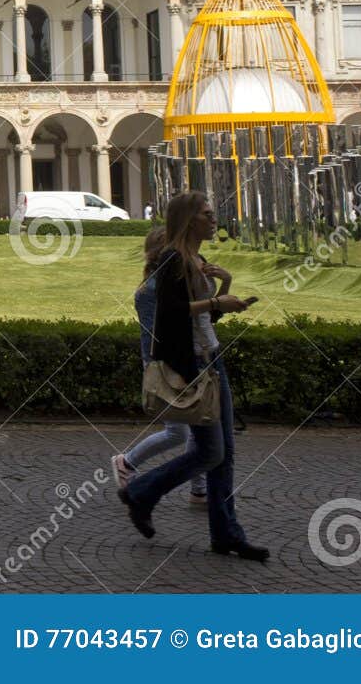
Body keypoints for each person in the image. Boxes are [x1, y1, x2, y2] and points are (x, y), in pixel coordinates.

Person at [119, 191, 268, 561]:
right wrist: (216, 302)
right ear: (188, 220)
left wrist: (226, 290)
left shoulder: (195, 259)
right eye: (206, 214)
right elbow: (170, 315)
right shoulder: (172, 259)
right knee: (212, 451)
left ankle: (226, 533)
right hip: (195, 366)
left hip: (211, 358)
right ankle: (141, 492)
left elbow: (203, 319)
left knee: (225, 453)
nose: (213, 219)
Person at [111, 228, 207, 506]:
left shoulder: (156, 283)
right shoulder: (157, 288)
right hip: (168, 364)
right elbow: (179, 320)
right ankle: (127, 462)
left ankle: (198, 489)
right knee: (181, 431)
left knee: (195, 427)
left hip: (169, 361)